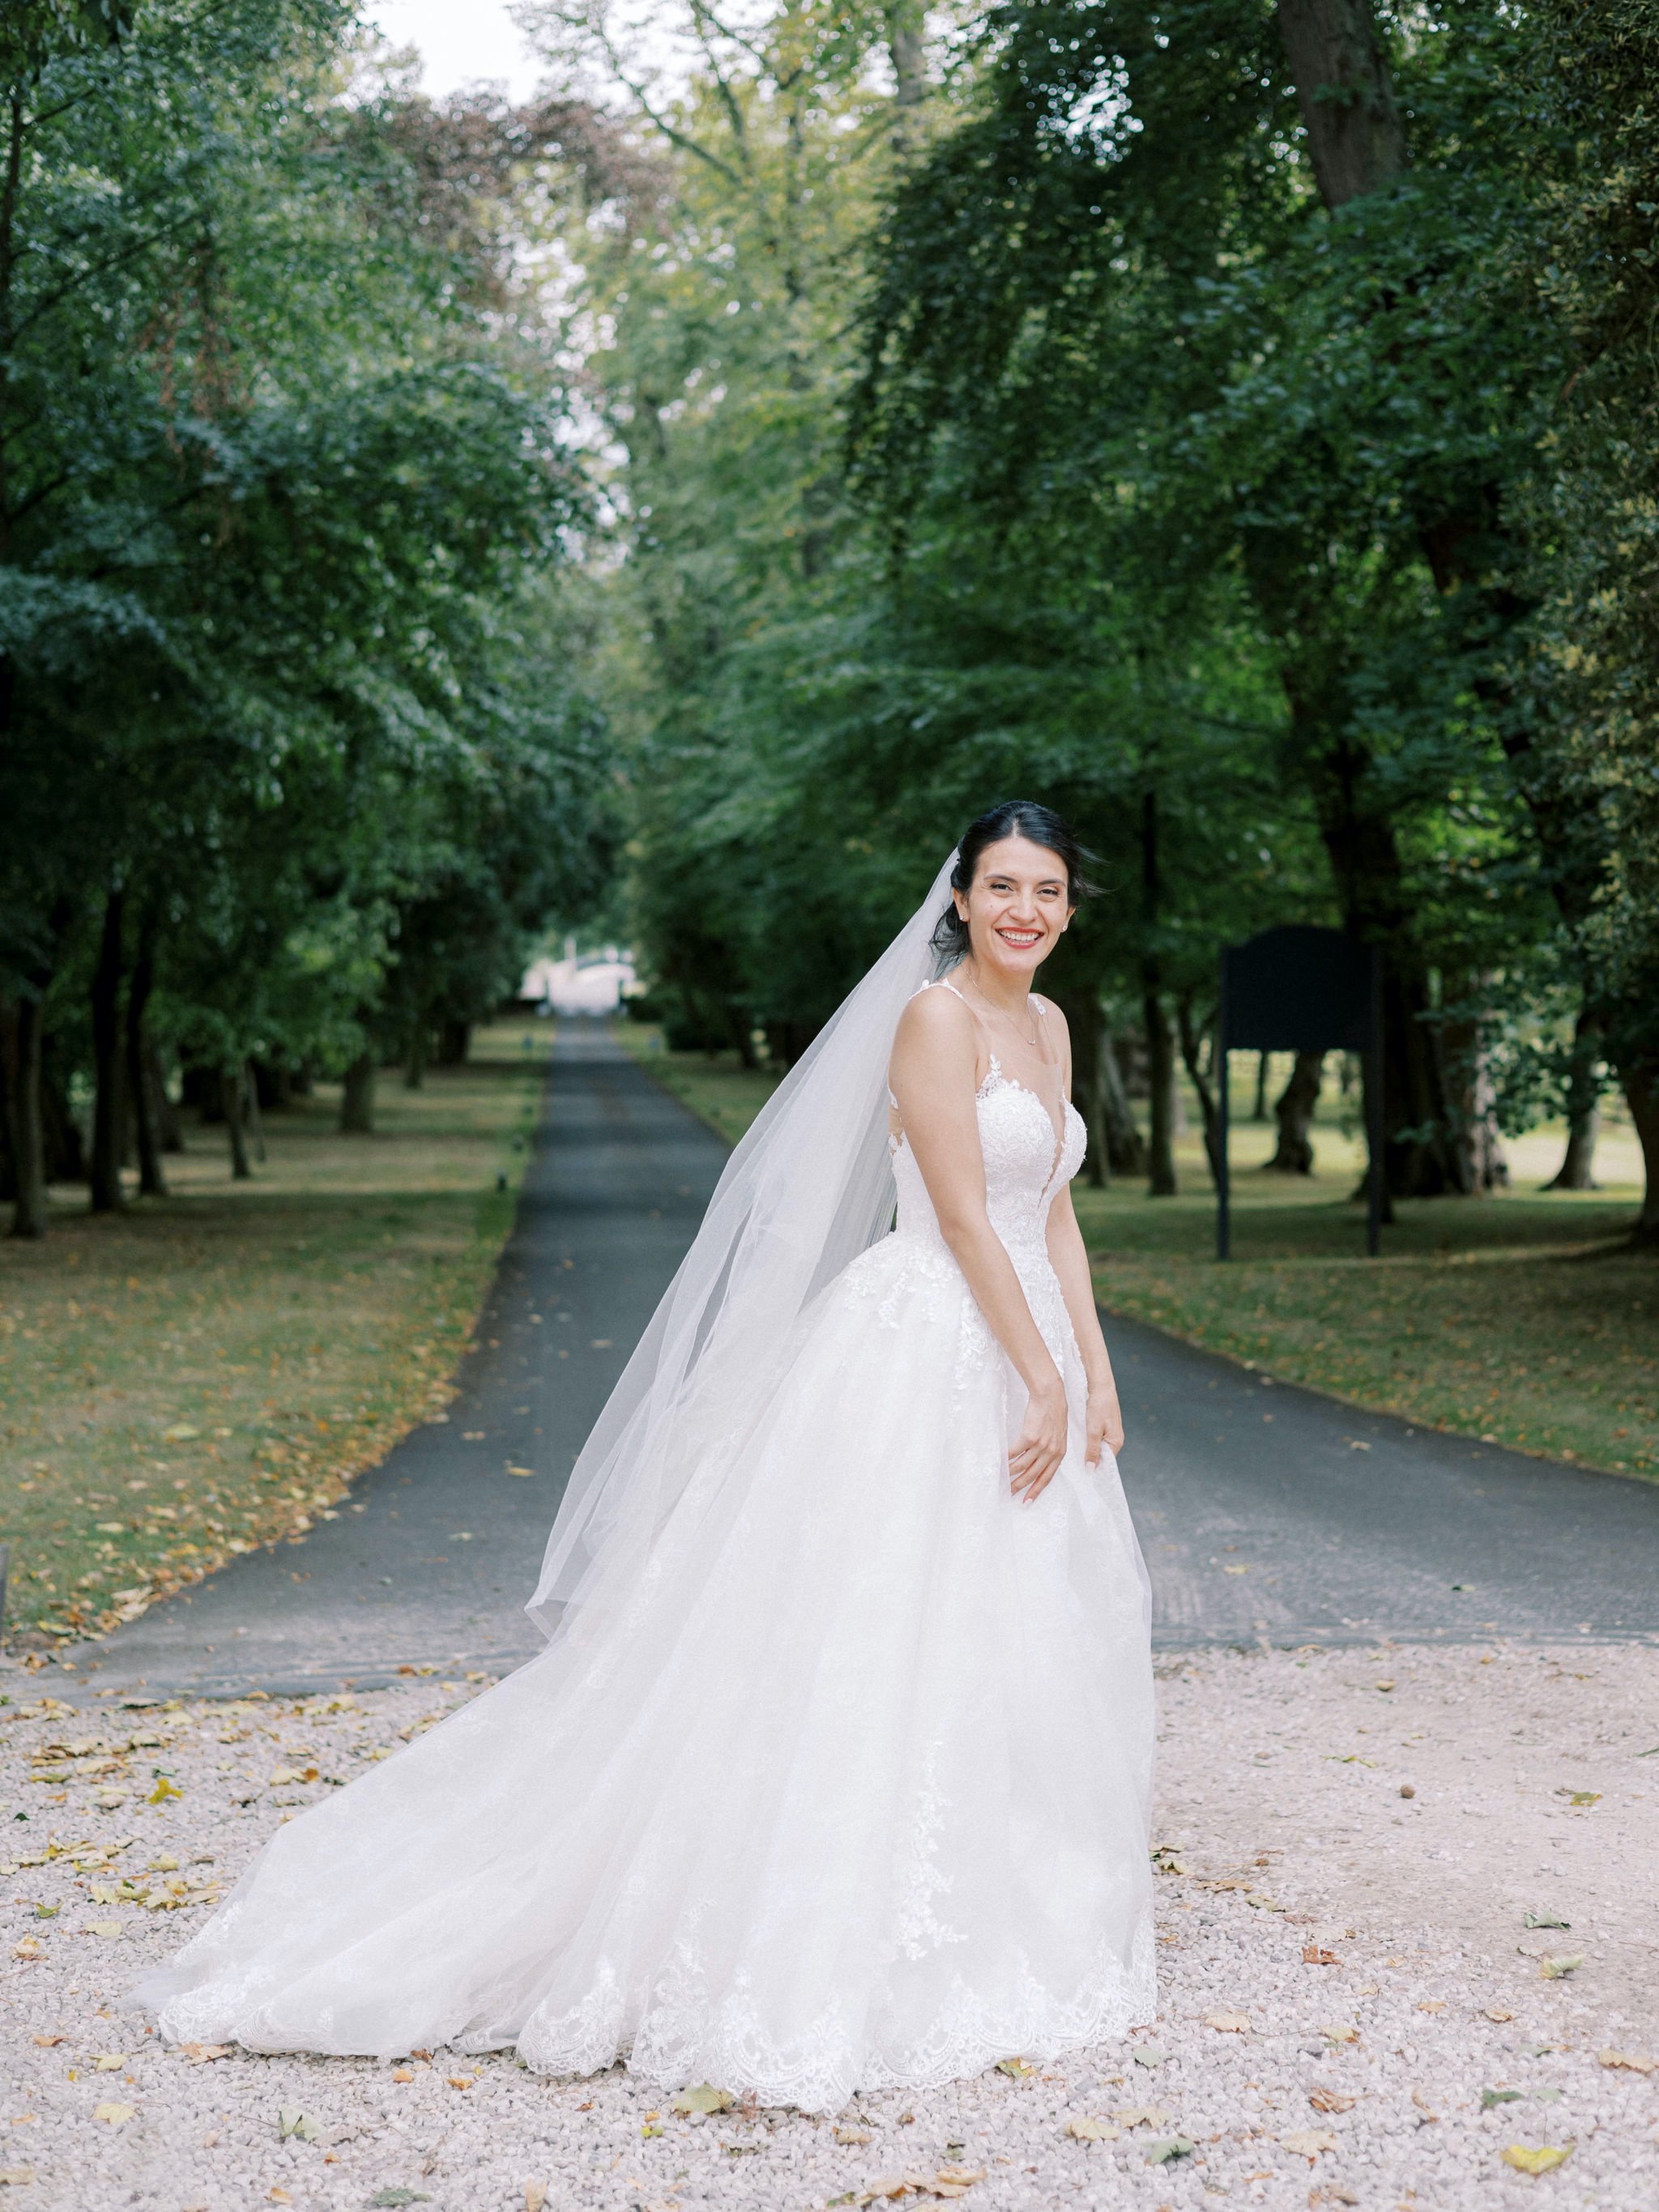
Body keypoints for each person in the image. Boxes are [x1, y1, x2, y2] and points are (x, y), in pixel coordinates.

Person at [130, 800, 1155, 2114]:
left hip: (1029, 1352)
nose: (1027, 909)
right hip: (931, 1346)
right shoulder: (934, 1021)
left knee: (1017, 1633)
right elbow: (960, 1214)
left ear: (1071, 907)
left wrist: (1091, 1369)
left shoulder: (1053, 1027)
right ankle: (822, 1921)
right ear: (960, 898)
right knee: (877, 1625)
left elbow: (1049, 1211)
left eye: (1050, 890)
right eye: (1003, 885)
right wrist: (1029, 1373)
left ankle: (1007, 1904)